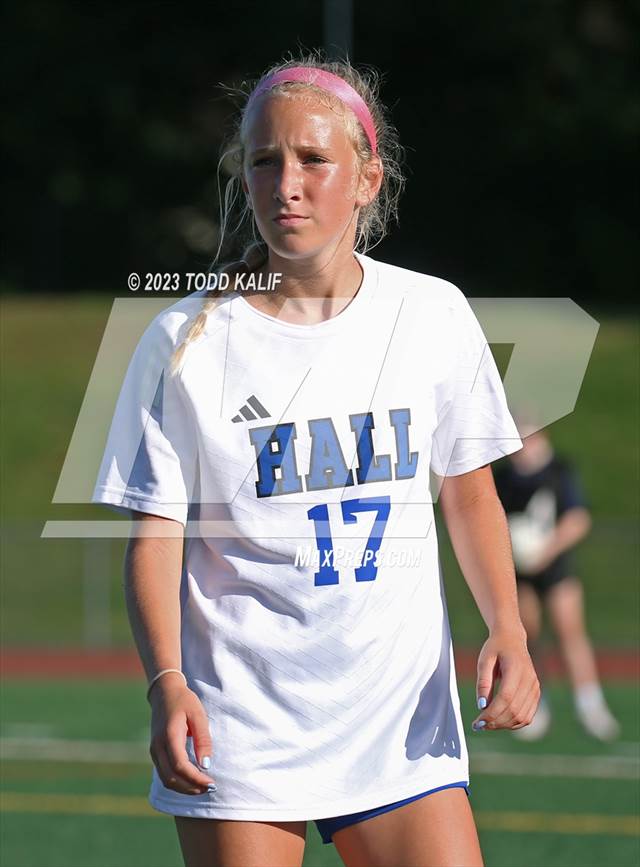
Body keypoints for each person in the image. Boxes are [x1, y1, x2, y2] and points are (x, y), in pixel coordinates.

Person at [92, 54, 539, 867]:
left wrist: (506, 622)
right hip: (242, 721)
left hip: (397, 719)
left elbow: (467, 495)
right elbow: (155, 539)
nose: (285, 182)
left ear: (368, 178)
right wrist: (165, 680)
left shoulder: (431, 313)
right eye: (264, 160)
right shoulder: (184, 342)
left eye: (312, 159)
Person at [493, 426, 620, 742]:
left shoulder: (558, 471)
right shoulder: (504, 476)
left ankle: (590, 705)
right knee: (528, 635)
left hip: (556, 567)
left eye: (529, 438)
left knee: (571, 633)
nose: (523, 447)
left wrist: (546, 551)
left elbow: (577, 519)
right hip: (519, 571)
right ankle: (536, 704)